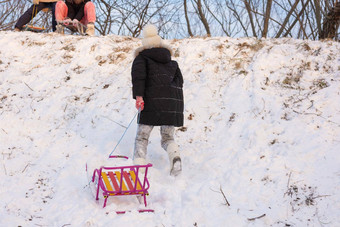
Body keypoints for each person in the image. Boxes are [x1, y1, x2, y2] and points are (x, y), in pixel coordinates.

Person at [131, 24, 184, 176]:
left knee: (142, 137)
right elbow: (180, 82)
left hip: (151, 103)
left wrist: (139, 96)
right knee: (167, 137)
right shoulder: (172, 62)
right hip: (171, 104)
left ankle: (139, 169)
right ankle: (175, 157)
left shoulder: (141, 58)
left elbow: (138, 78)